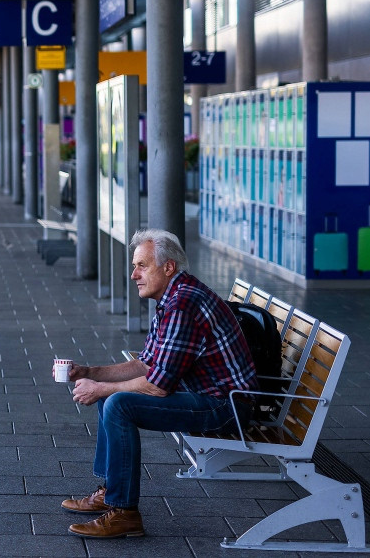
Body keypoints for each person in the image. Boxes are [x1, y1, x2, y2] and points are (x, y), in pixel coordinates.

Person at [62, 228, 257, 539]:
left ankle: (124, 512)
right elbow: (145, 363)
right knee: (110, 398)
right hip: (205, 395)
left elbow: (159, 386)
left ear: (168, 268)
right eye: (134, 266)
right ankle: (111, 490)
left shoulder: (182, 305)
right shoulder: (173, 297)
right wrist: (91, 371)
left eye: (142, 265)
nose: (133, 275)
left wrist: (101, 389)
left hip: (225, 406)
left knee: (117, 405)